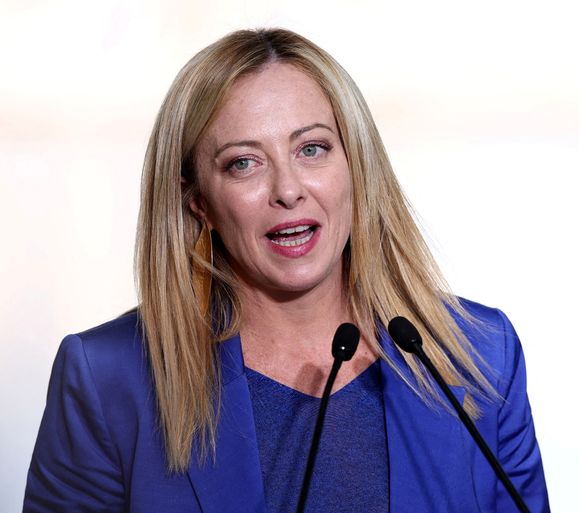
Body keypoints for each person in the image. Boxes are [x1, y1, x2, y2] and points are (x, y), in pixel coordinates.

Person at [23, 28, 550, 513]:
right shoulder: (108, 379)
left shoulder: (481, 355)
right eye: (243, 163)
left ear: (355, 166)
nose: (288, 189)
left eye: (312, 148)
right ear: (197, 202)